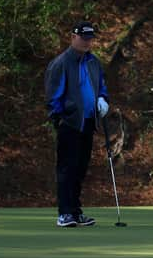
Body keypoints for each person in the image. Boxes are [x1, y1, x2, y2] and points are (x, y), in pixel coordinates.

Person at [45, 21, 109, 227]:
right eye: (83, 38)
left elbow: (101, 86)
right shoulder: (61, 63)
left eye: (90, 39)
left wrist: (102, 99)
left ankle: (75, 211)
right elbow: (53, 95)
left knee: (80, 169)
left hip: (88, 122)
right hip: (69, 123)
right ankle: (65, 213)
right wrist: (60, 117)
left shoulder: (94, 62)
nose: (87, 42)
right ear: (73, 37)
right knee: (67, 168)